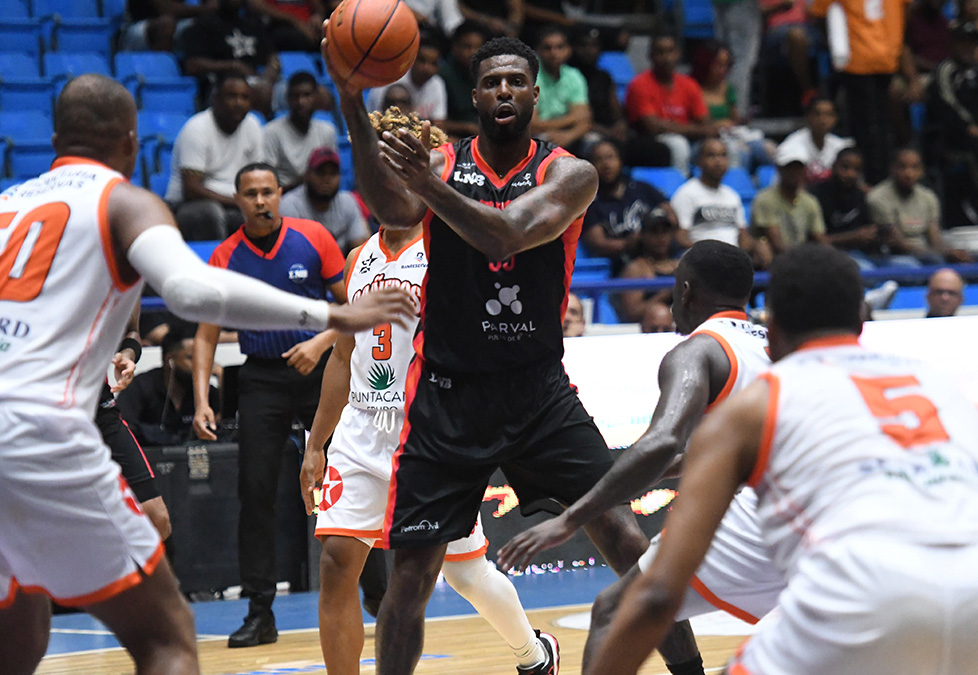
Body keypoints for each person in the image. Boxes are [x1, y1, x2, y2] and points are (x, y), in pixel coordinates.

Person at [0, 73, 413, 675]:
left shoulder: (9, 204)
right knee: (166, 640)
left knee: (19, 611)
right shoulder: (124, 200)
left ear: (56, 134)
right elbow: (192, 289)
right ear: (133, 141)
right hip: (41, 427)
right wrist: (331, 312)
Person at [324, 33, 660, 675]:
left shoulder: (566, 172)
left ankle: (664, 664)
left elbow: (504, 231)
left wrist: (428, 186)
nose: (503, 91)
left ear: (534, 93)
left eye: (515, 81)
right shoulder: (426, 186)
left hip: (533, 391)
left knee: (608, 538)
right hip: (437, 400)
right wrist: (349, 100)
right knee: (401, 575)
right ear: (473, 94)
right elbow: (387, 215)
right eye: (490, 82)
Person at [590, 243, 978, 674]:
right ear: (861, 323)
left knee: (615, 610)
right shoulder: (936, 384)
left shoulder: (760, 400)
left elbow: (658, 595)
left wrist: (580, 509)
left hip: (871, 593)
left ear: (771, 332)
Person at [301, 107, 558, 675]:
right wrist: (316, 444)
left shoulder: (454, 249)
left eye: (398, 166)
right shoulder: (357, 258)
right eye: (377, 165)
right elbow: (344, 356)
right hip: (363, 428)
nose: (385, 179)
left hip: (433, 433)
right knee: (338, 560)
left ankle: (533, 654)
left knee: (464, 573)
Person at [499, 240, 784, 675]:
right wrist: (624, 472)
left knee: (613, 612)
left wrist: (573, 516)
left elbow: (664, 441)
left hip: (749, 519)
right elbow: (707, 451)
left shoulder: (698, 350)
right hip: (807, 519)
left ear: (686, 292)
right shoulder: (776, 346)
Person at [190, 162, 376, 648]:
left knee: (350, 477)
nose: (259, 201)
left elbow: (352, 309)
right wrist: (199, 400)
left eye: (267, 192)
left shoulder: (313, 237)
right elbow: (206, 332)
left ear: (279, 195)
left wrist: (319, 345)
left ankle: (378, 596)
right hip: (262, 379)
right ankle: (260, 612)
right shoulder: (226, 256)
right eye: (249, 193)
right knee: (255, 492)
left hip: (322, 372)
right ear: (237, 200)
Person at [809, 0, 914, 184]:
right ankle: (879, 178)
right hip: (885, 57)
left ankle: (870, 179)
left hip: (858, 59)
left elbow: (817, 12)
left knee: (865, 128)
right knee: (881, 126)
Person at [165, 73, 264, 240]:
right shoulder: (197, 129)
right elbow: (191, 190)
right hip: (187, 206)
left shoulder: (253, 125)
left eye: (244, 97)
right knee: (211, 213)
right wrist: (238, 202)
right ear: (216, 98)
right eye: (232, 96)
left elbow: (256, 176)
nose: (239, 103)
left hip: (232, 204)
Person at [625, 34, 714, 174]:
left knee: (722, 147)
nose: (666, 58)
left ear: (678, 54)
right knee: (679, 144)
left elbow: (705, 124)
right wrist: (692, 129)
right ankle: (680, 187)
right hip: (654, 142)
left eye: (670, 51)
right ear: (651, 56)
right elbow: (653, 127)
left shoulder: (689, 84)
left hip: (691, 140)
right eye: (660, 52)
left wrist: (672, 126)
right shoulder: (640, 84)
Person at [117, 327, 221, 447]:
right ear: (169, 360)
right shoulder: (141, 386)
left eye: (201, 360)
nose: (198, 366)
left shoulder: (205, 393)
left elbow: (224, 427)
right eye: (191, 358)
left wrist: (222, 377)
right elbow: (124, 426)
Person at [582, 139, 674, 275]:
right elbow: (598, 243)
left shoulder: (642, 188)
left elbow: (672, 219)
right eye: (599, 159)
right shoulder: (591, 202)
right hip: (623, 264)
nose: (606, 164)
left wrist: (657, 237)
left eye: (610, 157)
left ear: (620, 161)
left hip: (661, 257)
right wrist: (629, 243)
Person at [867, 148, 972, 264]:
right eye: (902, 167)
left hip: (927, 251)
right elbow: (898, 244)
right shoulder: (878, 197)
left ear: (922, 171)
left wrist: (952, 253)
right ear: (892, 169)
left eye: (915, 167)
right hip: (894, 256)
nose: (909, 173)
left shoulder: (928, 197)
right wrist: (941, 254)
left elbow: (935, 239)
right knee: (917, 264)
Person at [670, 139, 761, 263]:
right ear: (699, 161)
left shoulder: (732, 196)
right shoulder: (686, 193)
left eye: (723, 155)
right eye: (711, 155)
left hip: (733, 260)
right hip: (702, 261)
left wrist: (758, 245)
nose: (718, 161)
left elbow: (743, 235)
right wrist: (708, 253)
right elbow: (680, 237)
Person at [280, 146, 371, 255]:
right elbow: (290, 254)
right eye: (321, 173)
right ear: (307, 175)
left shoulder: (348, 202)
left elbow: (362, 253)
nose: (327, 179)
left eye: (332, 173)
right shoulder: (290, 205)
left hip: (342, 268)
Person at [263, 71, 339, 192]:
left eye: (307, 95)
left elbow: (332, 175)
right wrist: (305, 182)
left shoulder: (327, 131)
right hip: (284, 198)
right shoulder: (272, 132)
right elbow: (267, 185)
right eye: (295, 96)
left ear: (317, 97)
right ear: (287, 98)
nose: (301, 102)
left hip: (322, 197)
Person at [750, 144, 826, 255]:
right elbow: (777, 245)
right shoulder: (765, 199)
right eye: (789, 167)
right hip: (775, 257)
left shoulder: (810, 201)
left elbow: (819, 238)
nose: (794, 172)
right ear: (779, 169)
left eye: (798, 168)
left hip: (799, 256)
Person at [531, 25, 593, 152]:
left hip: (570, 134)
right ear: (538, 50)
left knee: (601, 148)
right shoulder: (530, 77)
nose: (554, 53)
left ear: (568, 50)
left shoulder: (574, 75)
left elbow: (585, 120)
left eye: (559, 47)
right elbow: (531, 125)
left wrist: (568, 135)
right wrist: (572, 118)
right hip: (539, 136)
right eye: (548, 48)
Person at [617, 207, 682, 322]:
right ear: (643, 236)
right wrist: (667, 293)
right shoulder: (636, 269)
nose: (661, 237)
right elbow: (632, 313)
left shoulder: (681, 264)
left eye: (665, 231)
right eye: (654, 232)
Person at [366, 33, 448, 123]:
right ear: (412, 59)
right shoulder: (389, 81)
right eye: (422, 60)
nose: (427, 68)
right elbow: (376, 122)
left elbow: (439, 125)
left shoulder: (437, 84)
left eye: (433, 63)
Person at [776, 97, 853, 184]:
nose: (822, 120)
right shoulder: (792, 146)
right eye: (817, 114)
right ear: (808, 116)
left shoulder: (840, 146)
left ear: (835, 119)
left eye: (828, 114)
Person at [439, 21, 488, 139]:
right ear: (455, 47)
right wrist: (467, 127)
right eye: (467, 47)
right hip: (451, 137)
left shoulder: (486, 73)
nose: (473, 53)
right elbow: (437, 122)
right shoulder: (442, 75)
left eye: (478, 48)